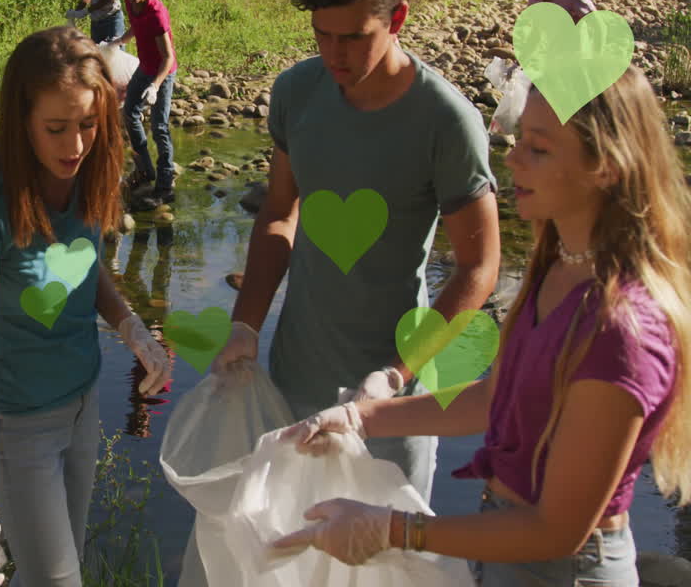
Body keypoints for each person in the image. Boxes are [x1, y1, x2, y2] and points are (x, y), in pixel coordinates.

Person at [273, 66, 691, 586]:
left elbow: (556, 530)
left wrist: (393, 530)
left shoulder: (623, 332)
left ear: (604, 166)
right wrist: (364, 417)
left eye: (538, 149)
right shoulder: (558, 267)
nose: (511, 159)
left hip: (565, 568)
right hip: (507, 546)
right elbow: (498, 398)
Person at [209, 0, 500, 512]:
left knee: (385, 560)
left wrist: (395, 374)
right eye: (322, 35)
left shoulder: (446, 121)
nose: (334, 56)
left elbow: (480, 267)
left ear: (397, 20)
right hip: (293, 379)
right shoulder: (296, 93)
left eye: (353, 38)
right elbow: (278, 215)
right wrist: (245, 325)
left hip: (391, 400)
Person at [0, 26, 173, 587]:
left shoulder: (91, 171)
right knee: (60, 581)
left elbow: (80, 265)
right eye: (56, 128)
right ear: (22, 121)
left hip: (83, 405)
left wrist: (131, 327)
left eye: (88, 125)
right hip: (19, 425)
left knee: (58, 565)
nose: (75, 145)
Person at [103, 0, 179, 212]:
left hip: (162, 72)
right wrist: (118, 42)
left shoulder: (156, 13)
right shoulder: (129, 2)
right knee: (129, 114)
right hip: (145, 67)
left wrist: (156, 87)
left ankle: (166, 186)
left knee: (159, 127)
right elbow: (136, 27)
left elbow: (167, 57)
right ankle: (145, 169)